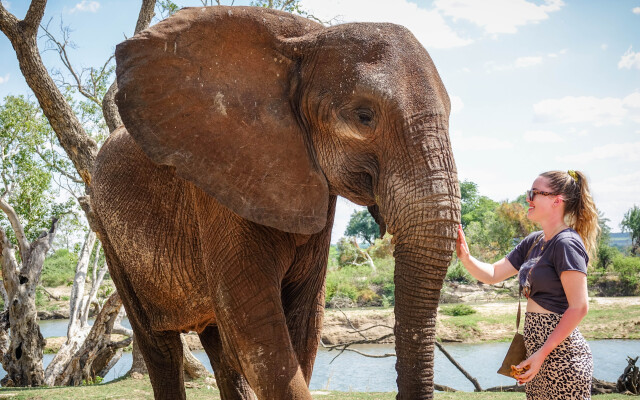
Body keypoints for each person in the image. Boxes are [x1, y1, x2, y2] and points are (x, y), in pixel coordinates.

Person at [456, 170, 599, 399]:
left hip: (562, 360)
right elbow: (493, 273)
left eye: (534, 193)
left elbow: (579, 307)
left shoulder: (567, 243)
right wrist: (465, 257)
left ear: (556, 200)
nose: (527, 199)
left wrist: (541, 354)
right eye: (528, 193)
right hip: (536, 358)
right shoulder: (534, 241)